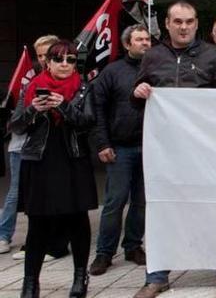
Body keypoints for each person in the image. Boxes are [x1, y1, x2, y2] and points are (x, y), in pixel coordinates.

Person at [130, 1, 216, 298]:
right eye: (177, 21)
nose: (183, 27)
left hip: (206, 152)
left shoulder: (213, 55)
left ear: (196, 24)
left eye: (189, 21)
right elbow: (137, 98)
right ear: (166, 23)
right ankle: (157, 276)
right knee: (161, 209)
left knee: (215, 208)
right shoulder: (153, 57)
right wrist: (138, 92)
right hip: (164, 151)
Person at [9, 40, 97, 298]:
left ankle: (80, 277)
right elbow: (15, 126)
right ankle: (30, 283)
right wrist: (33, 111)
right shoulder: (32, 87)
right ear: (47, 62)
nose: (65, 65)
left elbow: (88, 123)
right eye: (59, 59)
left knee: (77, 220)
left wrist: (64, 106)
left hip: (73, 158)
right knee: (38, 223)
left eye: (71, 60)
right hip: (40, 160)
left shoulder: (82, 88)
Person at [88, 25, 152, 277]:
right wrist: (102, 143)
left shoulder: (157, 70)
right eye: (139, 39)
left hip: (150, 148)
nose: (145, 43)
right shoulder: (112, 72)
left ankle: (133, 246)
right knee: (115, 202)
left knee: (141, 201)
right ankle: (104, 252)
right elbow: (98, 109)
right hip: (120, 148)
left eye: (147, 39)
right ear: (127, 44)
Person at [0, 35, 59, 258]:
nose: (44, 59)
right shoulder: (28, 78)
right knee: (17, 192)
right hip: (22, 146)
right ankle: (4, 235)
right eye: (40, 55)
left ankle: (46, 241)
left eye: (48, 54)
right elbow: (16, 119)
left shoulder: (66, 77)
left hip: (47, 148)